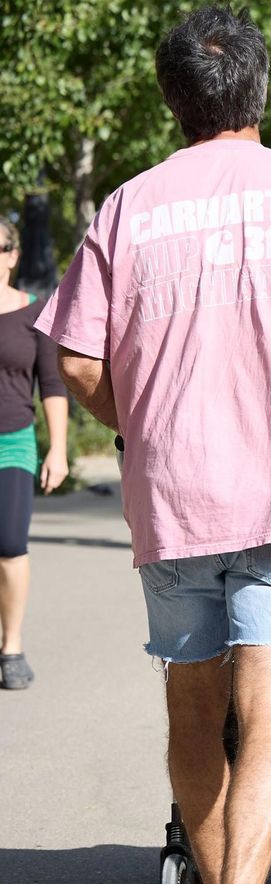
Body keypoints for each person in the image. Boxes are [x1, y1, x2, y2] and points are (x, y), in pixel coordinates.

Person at [35, 7, 271, 884]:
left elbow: (78, 361)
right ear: (260, 89)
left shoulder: (127, 207)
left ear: (173, 99)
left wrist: (140, 428)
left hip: (171, 501)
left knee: (193, 715)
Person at [0, 217, 68, 690]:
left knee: (9, 545)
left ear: (12, 254)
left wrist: (58, 449)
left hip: (13, 441)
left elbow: (54, 384)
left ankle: (12, 646)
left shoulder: (35, 313)